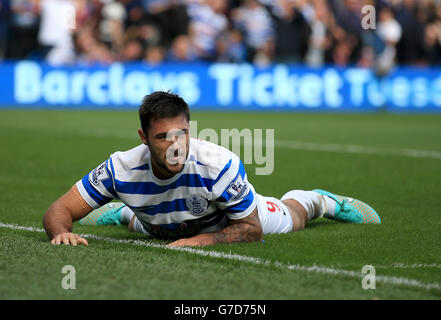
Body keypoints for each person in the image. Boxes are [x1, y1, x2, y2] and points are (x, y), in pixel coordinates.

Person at [43, 91, 381, 247]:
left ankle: (319, 201)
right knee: (147, 222)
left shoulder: (218, 165)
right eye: (162, 137)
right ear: (143, 137)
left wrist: (201, 241)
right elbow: (59, 209)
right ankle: (121, 213)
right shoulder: (120, 168)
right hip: (160, 226)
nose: (175, 144)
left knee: (293, 218)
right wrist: (62, 232)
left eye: (182, 134)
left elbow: (250, 230)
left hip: (225, 219)